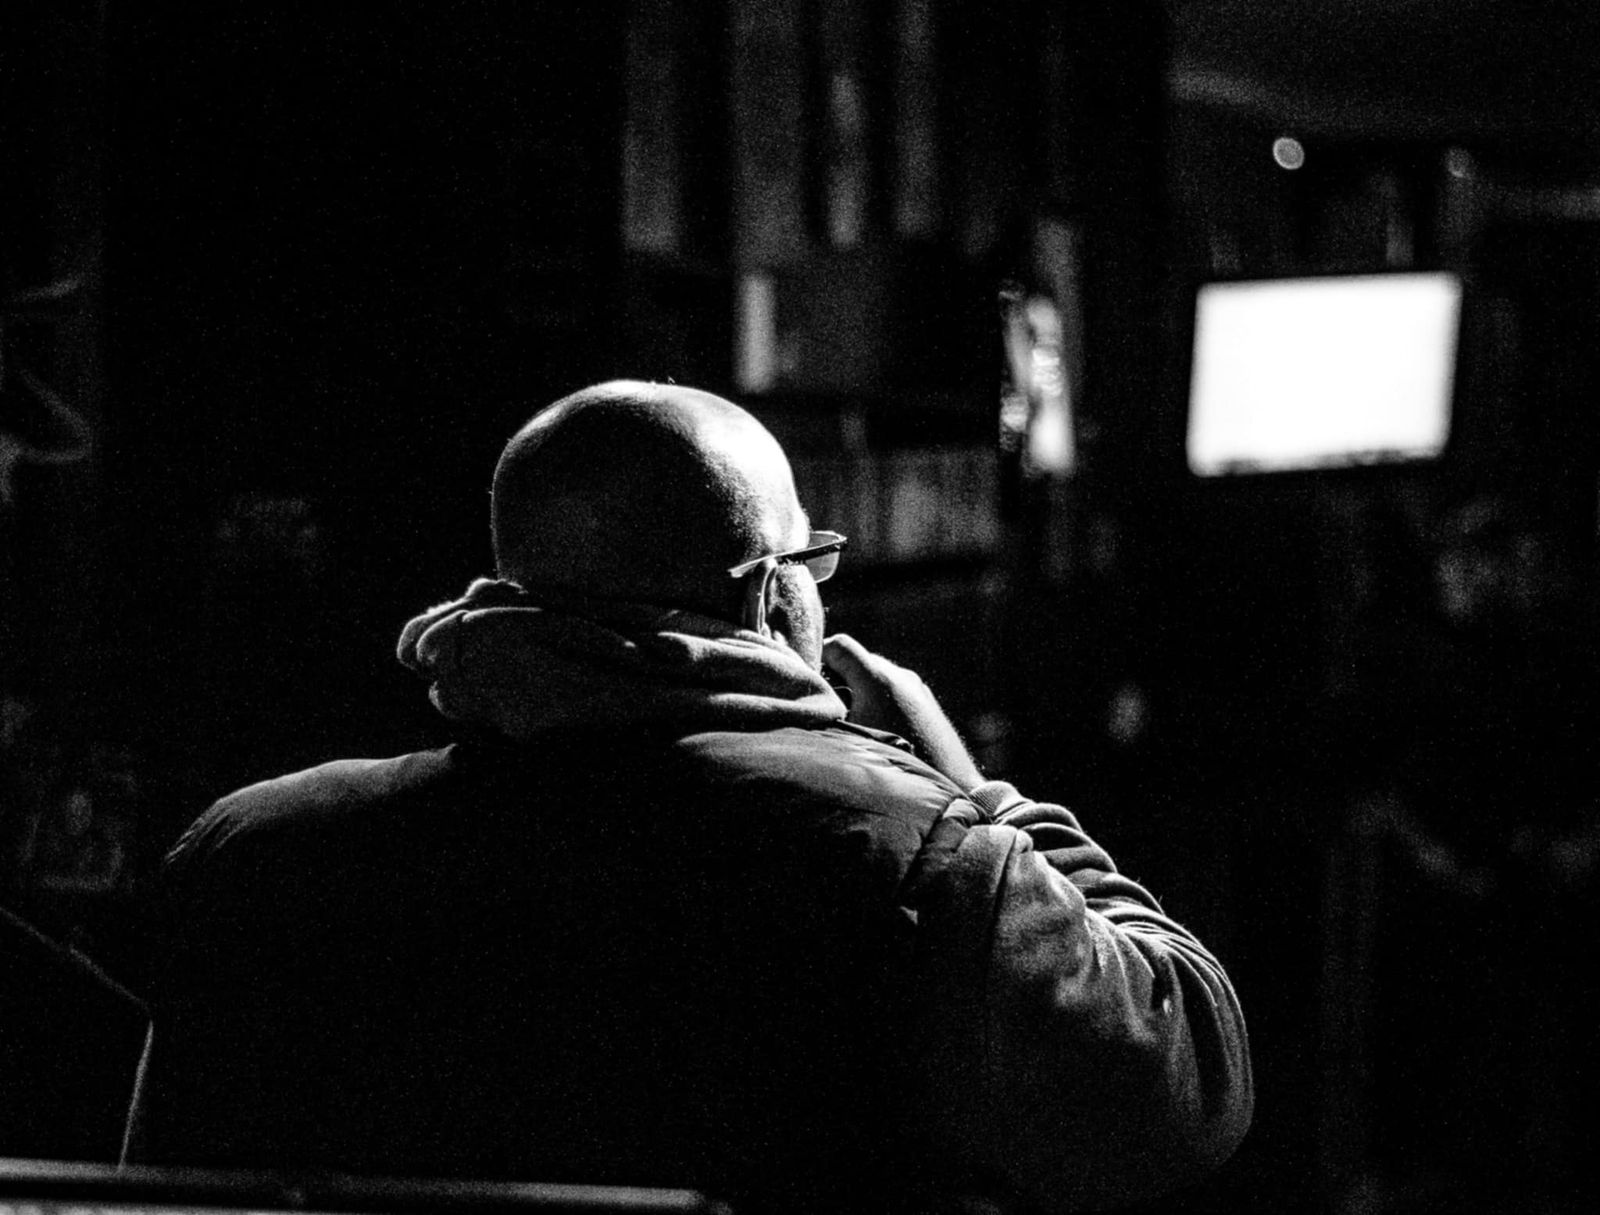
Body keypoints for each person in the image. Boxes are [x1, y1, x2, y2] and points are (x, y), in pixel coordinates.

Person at [126, 381, 1251, 1214]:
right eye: (813, 565)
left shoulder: (254, 847)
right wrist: (978, 794)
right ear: (770, 596)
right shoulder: (910, 854)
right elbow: (1181, 1090)